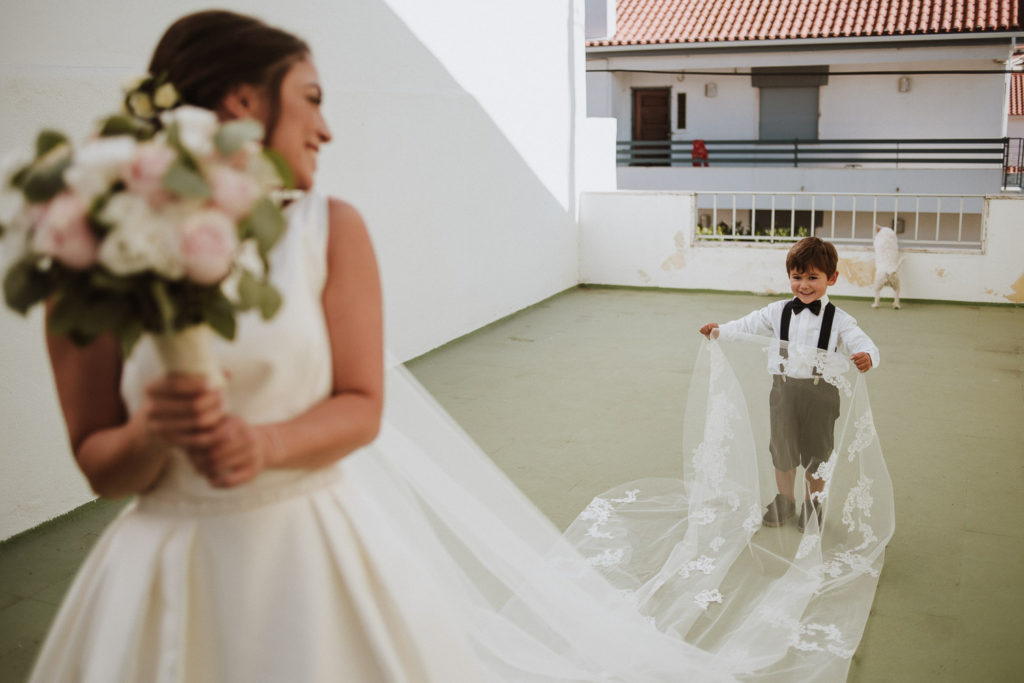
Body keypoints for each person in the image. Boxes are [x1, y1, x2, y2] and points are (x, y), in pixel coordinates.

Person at [699, 236, 879, 532]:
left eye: (813, 277)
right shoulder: (778, 311)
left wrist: (867, 356)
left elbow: (861, 343)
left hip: (821, 395)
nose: (804, 285)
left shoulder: (840, 320)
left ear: (831, 278)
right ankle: (785, 499)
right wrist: (720, 331)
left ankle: (813, 502)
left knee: (817, 452)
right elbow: (747, 325)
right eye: (797, 277)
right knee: (782, 449)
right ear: (789, 277)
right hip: (782, 391)